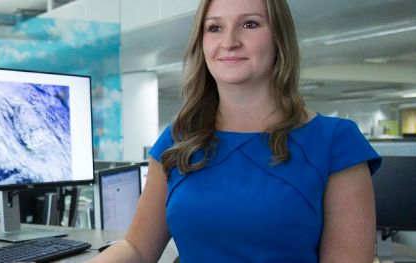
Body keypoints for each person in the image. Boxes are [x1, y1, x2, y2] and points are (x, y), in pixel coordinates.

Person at [91, 0, 381, 262]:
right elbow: (137, 249)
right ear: (201, 43)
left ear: (280, 38)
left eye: (249, 24)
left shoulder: (335, 141)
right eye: (214, 28)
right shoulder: (178, 139)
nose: (229, 42)